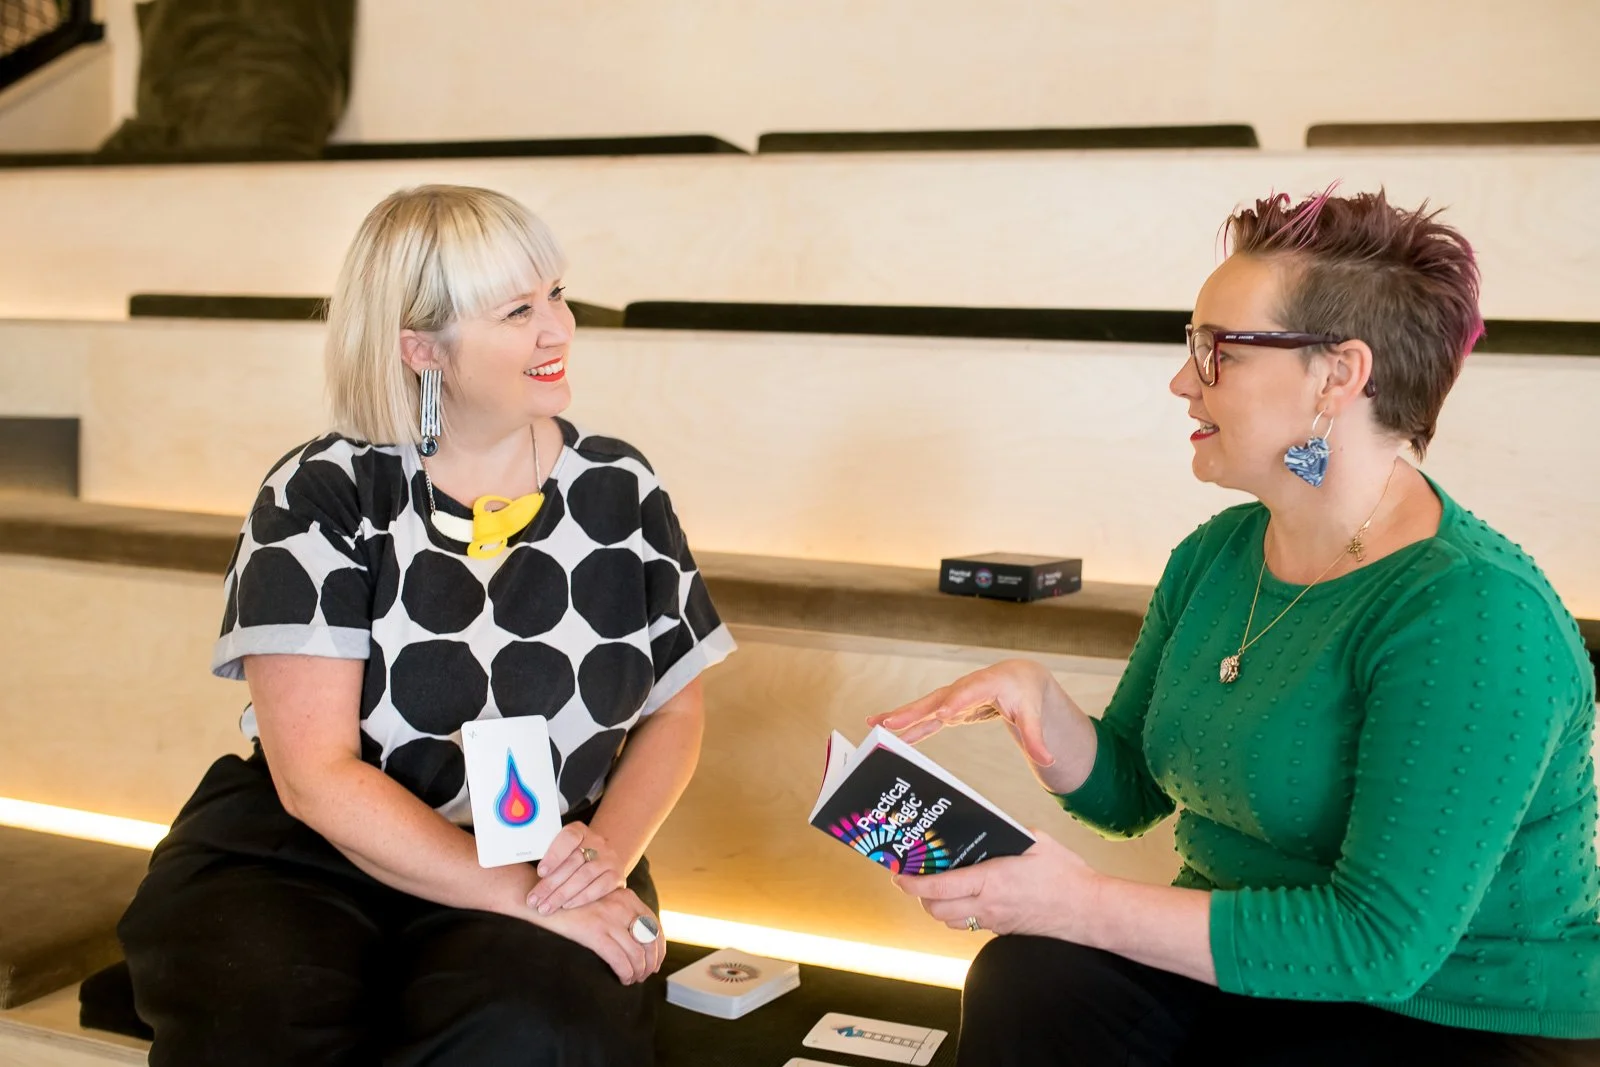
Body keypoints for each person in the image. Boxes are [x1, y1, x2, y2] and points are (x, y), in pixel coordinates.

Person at [872, 190, 1600, 1066]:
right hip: (1255, 972)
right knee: (1028, 978)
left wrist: (1076, 902)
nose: (1184, 381)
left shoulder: (1475, 613)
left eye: (1218, 351)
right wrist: (1038, 701)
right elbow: (1133, 791)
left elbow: (1379, 945)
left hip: (1451, 1010)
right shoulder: (1217, 554)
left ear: (1338, 376)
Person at [117, 184, 735, 1066]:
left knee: (538, 1030)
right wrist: (519, 895)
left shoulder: (620, 488)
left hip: (547, 848)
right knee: (258, 997)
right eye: (518, 311)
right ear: (421, 348)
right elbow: (316, 778)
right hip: (312, 853)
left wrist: (594, 866)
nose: (559, 328)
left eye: (557, 294)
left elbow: (676, 710)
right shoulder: (322, 491)